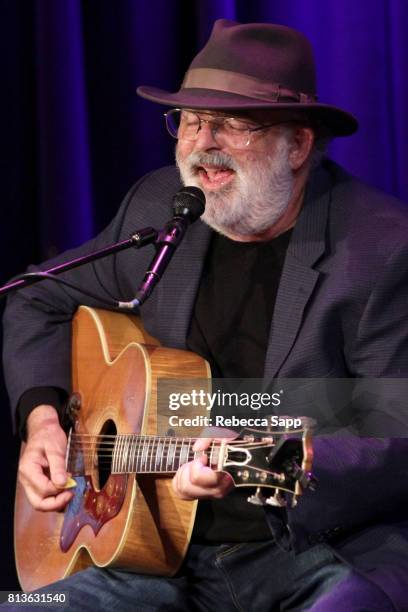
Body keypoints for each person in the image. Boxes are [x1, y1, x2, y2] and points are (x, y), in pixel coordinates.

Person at [3, 19, 408, 611]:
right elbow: (38, 297)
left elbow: (394, 428)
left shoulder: (379, 248)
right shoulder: (163, 207)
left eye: (233, 125)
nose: (201, 144)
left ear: (297, 145)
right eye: (190, 122)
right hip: (147, 556)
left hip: (315, 554)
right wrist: (42, 422)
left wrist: (268, 456)